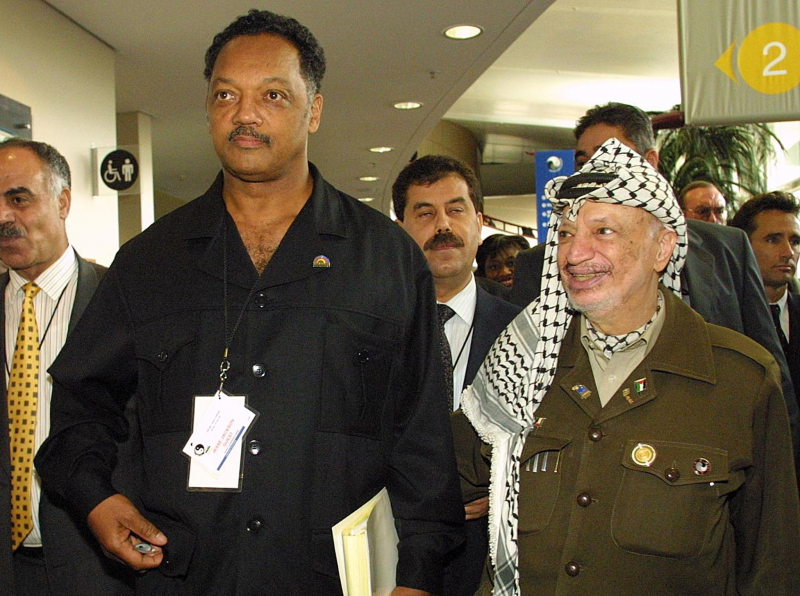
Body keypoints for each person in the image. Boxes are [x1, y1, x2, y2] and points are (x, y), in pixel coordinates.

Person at [35, 11, 463, 596]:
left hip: (336, 581)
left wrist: (417, 575)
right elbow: (83, 402)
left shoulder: (387, 260)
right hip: (185, 576)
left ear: (313, 109)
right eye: (226, 94)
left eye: (273, 95)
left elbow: (422, 439)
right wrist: (97, 499)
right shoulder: (148, 263)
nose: (245, 113)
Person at [458, 138, 800, 595]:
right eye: (564, 233)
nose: (573, 254)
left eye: (603, 232)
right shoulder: (521, 364)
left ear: (662, 249)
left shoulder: (741, 380)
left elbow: (772, 566)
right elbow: (437, 477)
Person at [510, 102, 800, 457]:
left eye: (610, 155)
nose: (594, 171)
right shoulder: (539, 265)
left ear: (649, 161)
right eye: (585, 162)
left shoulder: (726, 247)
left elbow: (770, 372)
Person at [0, 139, 132, 595]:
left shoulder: (121, 300)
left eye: (19, 198)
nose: (3, 217)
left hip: (96, 564)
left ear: (63, 201)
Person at [392, 155, 521, 596]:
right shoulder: (370, 329)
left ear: (479, 221)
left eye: (456, 209)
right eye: (425, 213)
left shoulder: (527, 333)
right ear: (401, 227)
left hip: (497, 557)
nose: (442, 224)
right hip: (396, 554)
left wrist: (507, 484)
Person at [731, 191, 800, 394]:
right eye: (773, 240)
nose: (788, 252)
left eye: (795, 241)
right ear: (742, 246)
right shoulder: (725, 320)